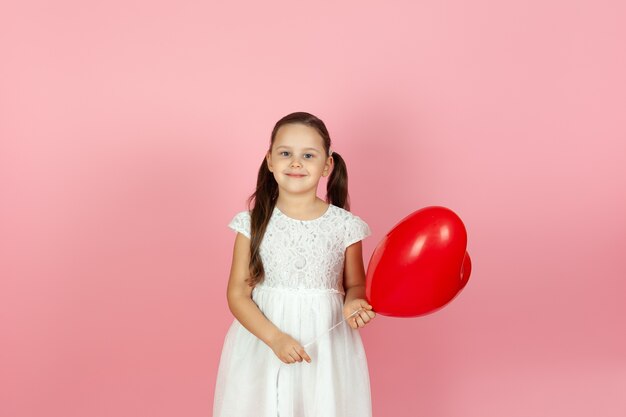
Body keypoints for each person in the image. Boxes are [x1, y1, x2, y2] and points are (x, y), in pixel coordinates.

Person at [212, 111, 376, 417]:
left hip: (325, 346)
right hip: (263, 342)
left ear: (327, 165)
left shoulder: (345, 226)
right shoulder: (252, 224)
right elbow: (237, 294)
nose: (296, 163)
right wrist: (274, 338)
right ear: (270, 160)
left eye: (308, 155)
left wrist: (355, 304)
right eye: (285, 153)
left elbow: (355, 284)